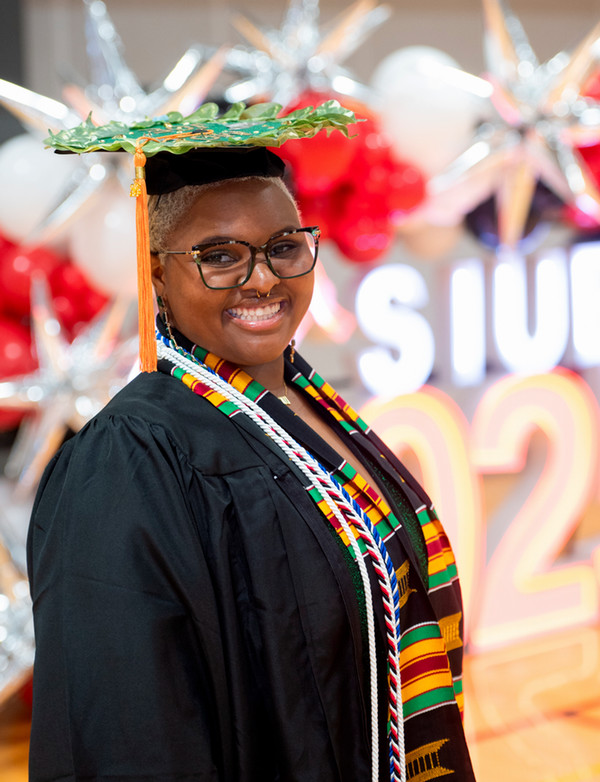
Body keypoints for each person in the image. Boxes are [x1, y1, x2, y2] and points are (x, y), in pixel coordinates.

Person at [28, 115, 476, 781]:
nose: (262, 279)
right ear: (157, 273)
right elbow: (130, 729)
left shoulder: (315, 410)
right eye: (220, 256)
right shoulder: (131, 458)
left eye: (284, 247)